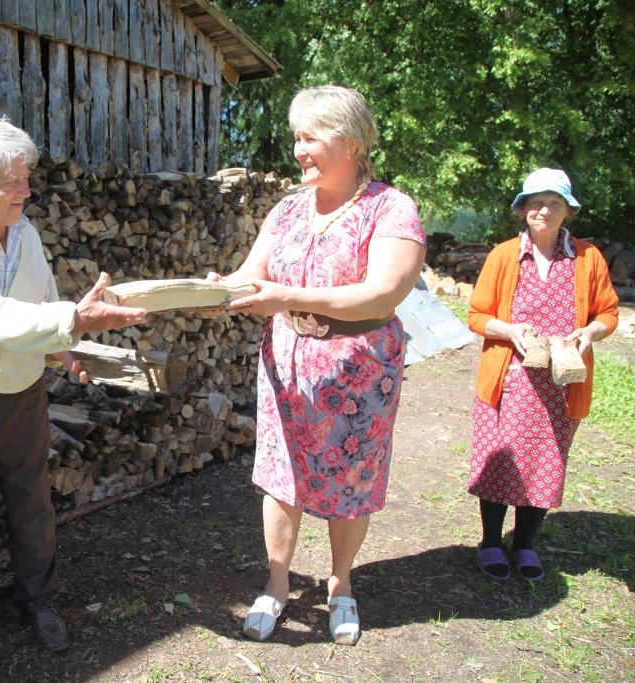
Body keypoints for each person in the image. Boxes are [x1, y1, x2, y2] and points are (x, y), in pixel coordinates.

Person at [0, 118, 146, 653]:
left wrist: (66, 349)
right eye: (13, 180)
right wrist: (76, 322)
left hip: (21, 397)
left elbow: (39, 309)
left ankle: (38, 600)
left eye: (26, 178)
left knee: (33, 505)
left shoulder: (28, 233)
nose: (27, 189)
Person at [214, 85, 426, 645]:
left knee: (350, 479)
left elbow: (382, 295)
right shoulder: (287, 209)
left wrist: (287, 297)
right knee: (281, 479)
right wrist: (212, 289)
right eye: (296, 137)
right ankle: (277, 584)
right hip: (286, 366)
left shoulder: (390, 208)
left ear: (351, 142)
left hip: (359, 374)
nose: (298, 149)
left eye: (310, 137)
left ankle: (341, 585)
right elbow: (250, 276)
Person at [466, 168, 618, 582]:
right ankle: (492, 542)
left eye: (553, 202)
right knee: (502, 464)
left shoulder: (587, 258)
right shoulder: (504, 256)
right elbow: (477, 315)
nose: (543, 210)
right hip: (509, 383)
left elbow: (608, 312)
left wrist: (590, 331)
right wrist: (510, 330)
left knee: (546, 463)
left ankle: (526, 545)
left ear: (567, 210)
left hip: (562, 385)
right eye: (535, 202)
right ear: (522, 210)